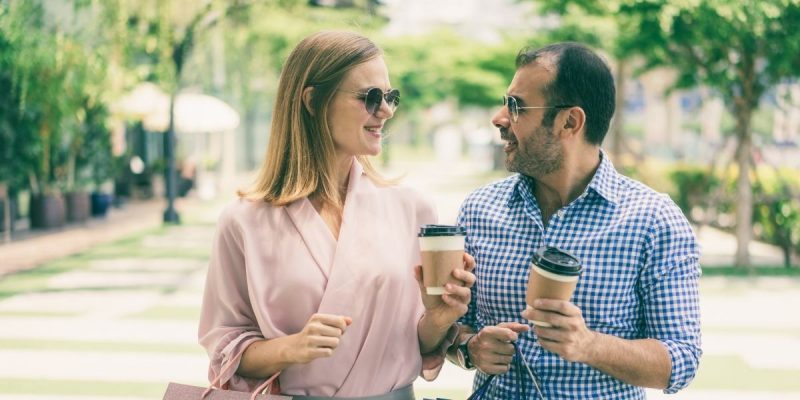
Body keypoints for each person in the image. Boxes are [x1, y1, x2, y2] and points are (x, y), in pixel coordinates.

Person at [198, 31, 475, 399]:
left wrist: (439, 319)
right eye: (370, 97)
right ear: (313, 101)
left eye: (390, 97)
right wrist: (290, 348)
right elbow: (225, 346)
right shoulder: (244, 221)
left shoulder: (412, 208)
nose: (387, 110)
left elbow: (414, 344)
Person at [447, 42, 701, 399]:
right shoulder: (479, 210)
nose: (499, 118)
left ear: (570, 122)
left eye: (517, 106)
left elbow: (682, 360)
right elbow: (453, 328)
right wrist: (469, 349)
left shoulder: (653, 220)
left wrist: (588, 345)